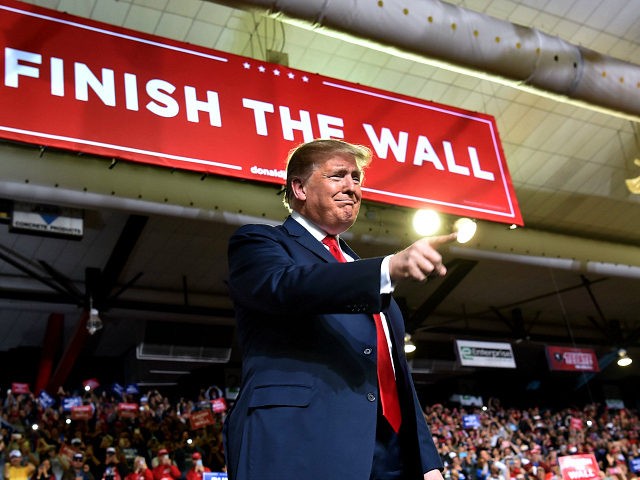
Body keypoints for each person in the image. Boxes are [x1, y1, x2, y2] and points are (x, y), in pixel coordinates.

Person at [223, 138, 455, 479]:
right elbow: (287, 286)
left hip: (391, 453)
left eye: (357, 178)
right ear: (299, 188)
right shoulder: (260, 243)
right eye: (338, 175)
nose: (352, 187)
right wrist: (387, 268)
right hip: (301, 444)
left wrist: (427, 461)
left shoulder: (358, 267)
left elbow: (394, 372)